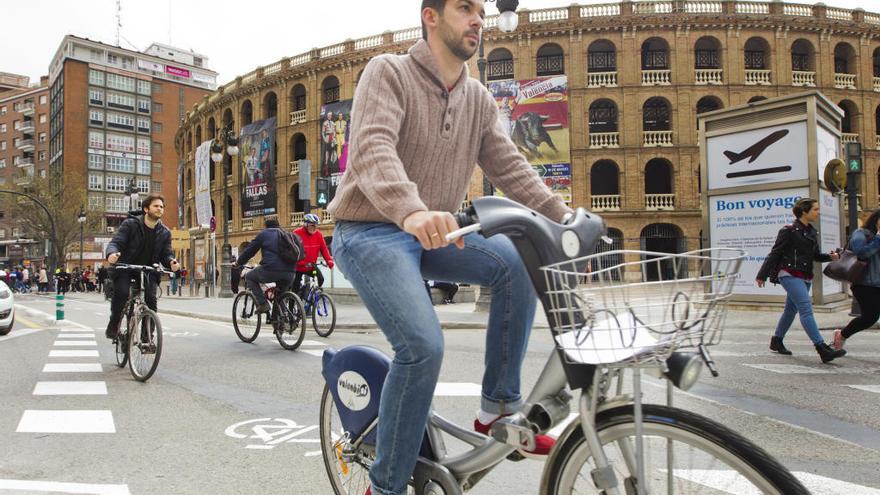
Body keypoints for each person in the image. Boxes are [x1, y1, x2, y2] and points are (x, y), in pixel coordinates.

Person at [326, 2, 572, 493]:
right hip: (370, 230)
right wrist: (411, 209)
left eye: (481, 10)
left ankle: (496, 410)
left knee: (516, 261)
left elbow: (509, 164)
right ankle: (387, 486)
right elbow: (374, 146)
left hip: (433, 234)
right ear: (431, 16)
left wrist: (562, 215)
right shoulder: (388, 72)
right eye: (465, 7)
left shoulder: (478, 99)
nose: (478, 18)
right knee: (422, 346)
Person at [756, 197, 844, 363]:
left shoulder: (811, 231)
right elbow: (775, 253)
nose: (818, 212)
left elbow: (815, 256)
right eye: (815, 209)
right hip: (788, 273)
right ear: (804, 212)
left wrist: (831, 257)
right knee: (805, 309)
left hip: (805, 275)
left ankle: (777, 340)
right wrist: (762, 275)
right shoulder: (788, 230)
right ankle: (822, 348)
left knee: (790, 310)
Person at [104, 193, 179, 339]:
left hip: (148, 271)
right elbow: (116, 242)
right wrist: (112, 254)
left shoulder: (165, 232)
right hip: (125, 267)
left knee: (151, 299)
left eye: (162, 207)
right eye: (156, 206)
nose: (160, 209)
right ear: (146, 209)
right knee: (122, 293)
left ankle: (147, 337)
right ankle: (114, 324)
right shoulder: (130, 224)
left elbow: (166, 253)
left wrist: (171, 262)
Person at [832, 208, 880, 350]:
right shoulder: (860, 234)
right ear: (876, 219)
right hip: (865, 284)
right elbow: (861, 253)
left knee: (870, 317)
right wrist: (878, 238)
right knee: (869, 318)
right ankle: (842, 335)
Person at [234, 217, 296, 313]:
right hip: (290, 272)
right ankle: (281, 322)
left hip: (271, 270)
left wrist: (238, 262)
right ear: (278, 225)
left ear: (266, 226)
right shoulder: (287, 234)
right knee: (279, 296)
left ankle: (263, 304)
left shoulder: (264, 234)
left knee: (250, 277)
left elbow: (249, 251)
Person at [292, 213, 334, 296]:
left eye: (315, 225)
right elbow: (292, 250)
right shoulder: (296, 233)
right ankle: (292, 305)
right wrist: (297, 262)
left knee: (320, 278)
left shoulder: (318, 234)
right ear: (305, 224)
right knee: (295, 288)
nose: (314, 228)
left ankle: (313, 297)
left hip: (311, 266)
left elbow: (324, 249)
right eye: (312, 225)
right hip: (298, 267)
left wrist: (329, 261)